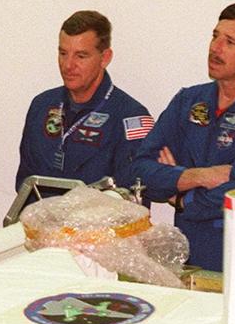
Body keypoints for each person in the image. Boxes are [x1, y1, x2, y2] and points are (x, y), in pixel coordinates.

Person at [132, 1, 235, 272]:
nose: (215, 48)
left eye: (229, 42)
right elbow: (140, 170)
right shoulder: (188, 101)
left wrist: (181, 198)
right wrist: (200, 177)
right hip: (186, 255)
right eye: (215, 36)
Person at [15, 10, 154, 199]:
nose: (68, 65)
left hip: (98, 227)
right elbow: (25, 185)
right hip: (39, 224)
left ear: (105, 58)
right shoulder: (41, 105)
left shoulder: (131, 118)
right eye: (63, 53)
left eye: (80, 56)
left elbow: (132, 202)